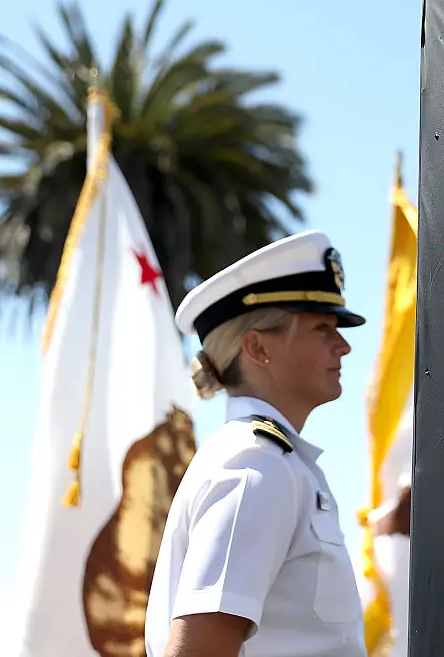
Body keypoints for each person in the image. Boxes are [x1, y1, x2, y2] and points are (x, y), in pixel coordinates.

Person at [144, 230, 367, 657]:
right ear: (257, 346)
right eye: (322, 327)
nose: (343, 344)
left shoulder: (272, 463)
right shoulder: (255, 466)